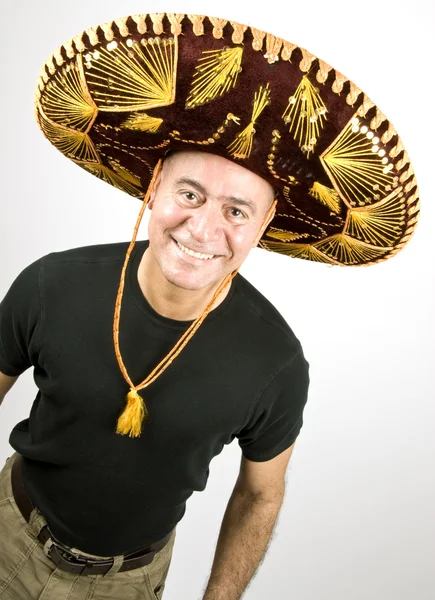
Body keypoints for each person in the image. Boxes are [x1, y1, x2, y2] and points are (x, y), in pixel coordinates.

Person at [0, 9, 418, 600]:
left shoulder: (274, 363)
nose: (203, 228)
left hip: (130, 582)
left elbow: (260, 494)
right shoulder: (51, 284)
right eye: (189, 193)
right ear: (154, 188)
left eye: (237, 211)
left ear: (264, 223)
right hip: (6, 536)